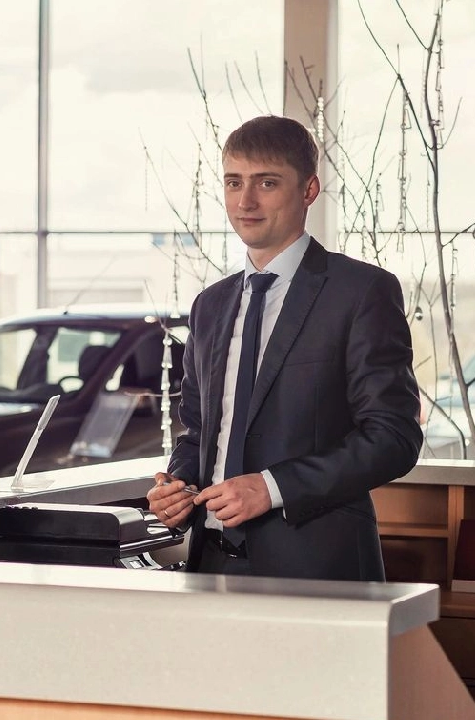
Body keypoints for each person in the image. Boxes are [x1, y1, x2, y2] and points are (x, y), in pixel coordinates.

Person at [147, 115, 422, 581]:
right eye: (234, 183)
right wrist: (177, 485)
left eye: (266, 183)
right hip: (209, 563)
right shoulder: (210, 305)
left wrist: (272, 488)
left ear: (309, 190)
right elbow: (198, 433)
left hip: (317, 566)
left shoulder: (360, 292)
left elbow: (393, 437)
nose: (245, 201)